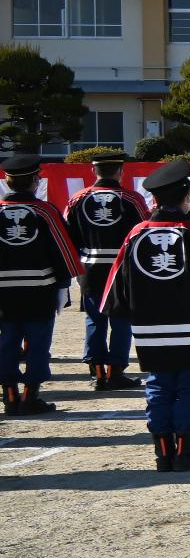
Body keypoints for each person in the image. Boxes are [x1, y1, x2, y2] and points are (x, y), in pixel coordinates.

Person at [99, 160, 190, 473]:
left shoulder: (136, 233)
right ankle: (185, 451)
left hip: (149, 328)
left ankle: (162, 452)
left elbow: (117, 280)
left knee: (158, 387)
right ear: (185, 196)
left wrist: (123, 314)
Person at [0, 154, 81, 416]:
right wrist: (65, 281)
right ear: (35, 181)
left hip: (3, 292)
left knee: (6, 342)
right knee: (37, 343)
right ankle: (30, 395)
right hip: (39, 288)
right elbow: (65, 249)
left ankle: (9, 395)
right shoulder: (44, 211)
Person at [63, 149, 147, 390]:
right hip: (121, 268)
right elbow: (143, 231)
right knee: (121, 319)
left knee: (94, 319)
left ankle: (97, 372)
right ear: (120, 171)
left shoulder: (77, 198)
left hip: (89, 267)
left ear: (93, 170)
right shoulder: (132, 199)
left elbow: (69, 235)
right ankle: (115, 372)